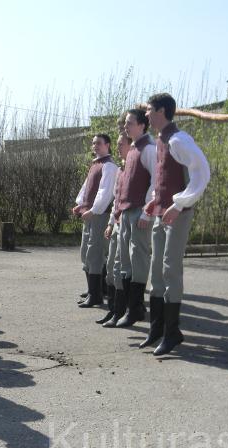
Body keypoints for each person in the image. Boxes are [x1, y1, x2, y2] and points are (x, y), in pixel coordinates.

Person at [142, 93, 210, 355]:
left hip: (176, 215)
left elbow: (202, 172)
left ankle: (172, 332)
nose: (146, 114)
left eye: (149, 110)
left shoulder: (179, 140)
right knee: (156, 270)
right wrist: (154, 201)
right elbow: (161, 179)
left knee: (170, 269)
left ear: (161, 111)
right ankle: (157, 329)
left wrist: (179, 203)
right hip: (161, 212)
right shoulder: (160, 140)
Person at [103, 108, 156, 328]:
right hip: (125, 212)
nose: (126, 126)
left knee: (138, 259)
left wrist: (147, 212)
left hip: (139, 212)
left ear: (142, 125)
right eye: (126, 123)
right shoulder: (133, 149)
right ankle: (125, 309)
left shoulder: (149, 149)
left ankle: (135, 309)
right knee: (125, 260)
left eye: (130, 123)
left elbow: (156, 183)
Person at [72, 134, 117, 308]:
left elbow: (105, 192)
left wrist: (93, 210)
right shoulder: (95, 164)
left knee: (95, 253)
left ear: (108, 145)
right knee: (86, 252)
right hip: (90, 214)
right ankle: (95, 289)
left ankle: (96, 294)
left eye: (98, 143)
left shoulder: (109, 166)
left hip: (100, 215)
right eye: (93, 143)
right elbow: (87, 187)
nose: (95, 146)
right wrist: (80, 204)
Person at [97, 133, 131, 325]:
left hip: (128, 224)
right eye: (116, 144)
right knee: (110, 268)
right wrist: (110, 222)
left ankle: (121, 310)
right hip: (116, 223)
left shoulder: (135, 167)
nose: (117, 147)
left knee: (120, 269)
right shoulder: (120, 170)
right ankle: (112, 310)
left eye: (121, 144)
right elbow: (117, 201)